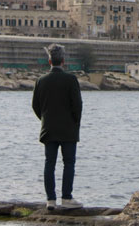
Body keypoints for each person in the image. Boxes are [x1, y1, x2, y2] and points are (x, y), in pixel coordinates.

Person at [32, 43, 83, 210]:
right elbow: (77, 106)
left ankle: (50, 200)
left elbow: (35, 106)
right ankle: (67, 198)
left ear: (49, 61)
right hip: (68, 129)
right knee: (69, 163)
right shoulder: (71, 80)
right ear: (63, 61)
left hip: (49, 128)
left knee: (49, 163)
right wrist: (75, 123)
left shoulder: (41, 81)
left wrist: (45, 119)